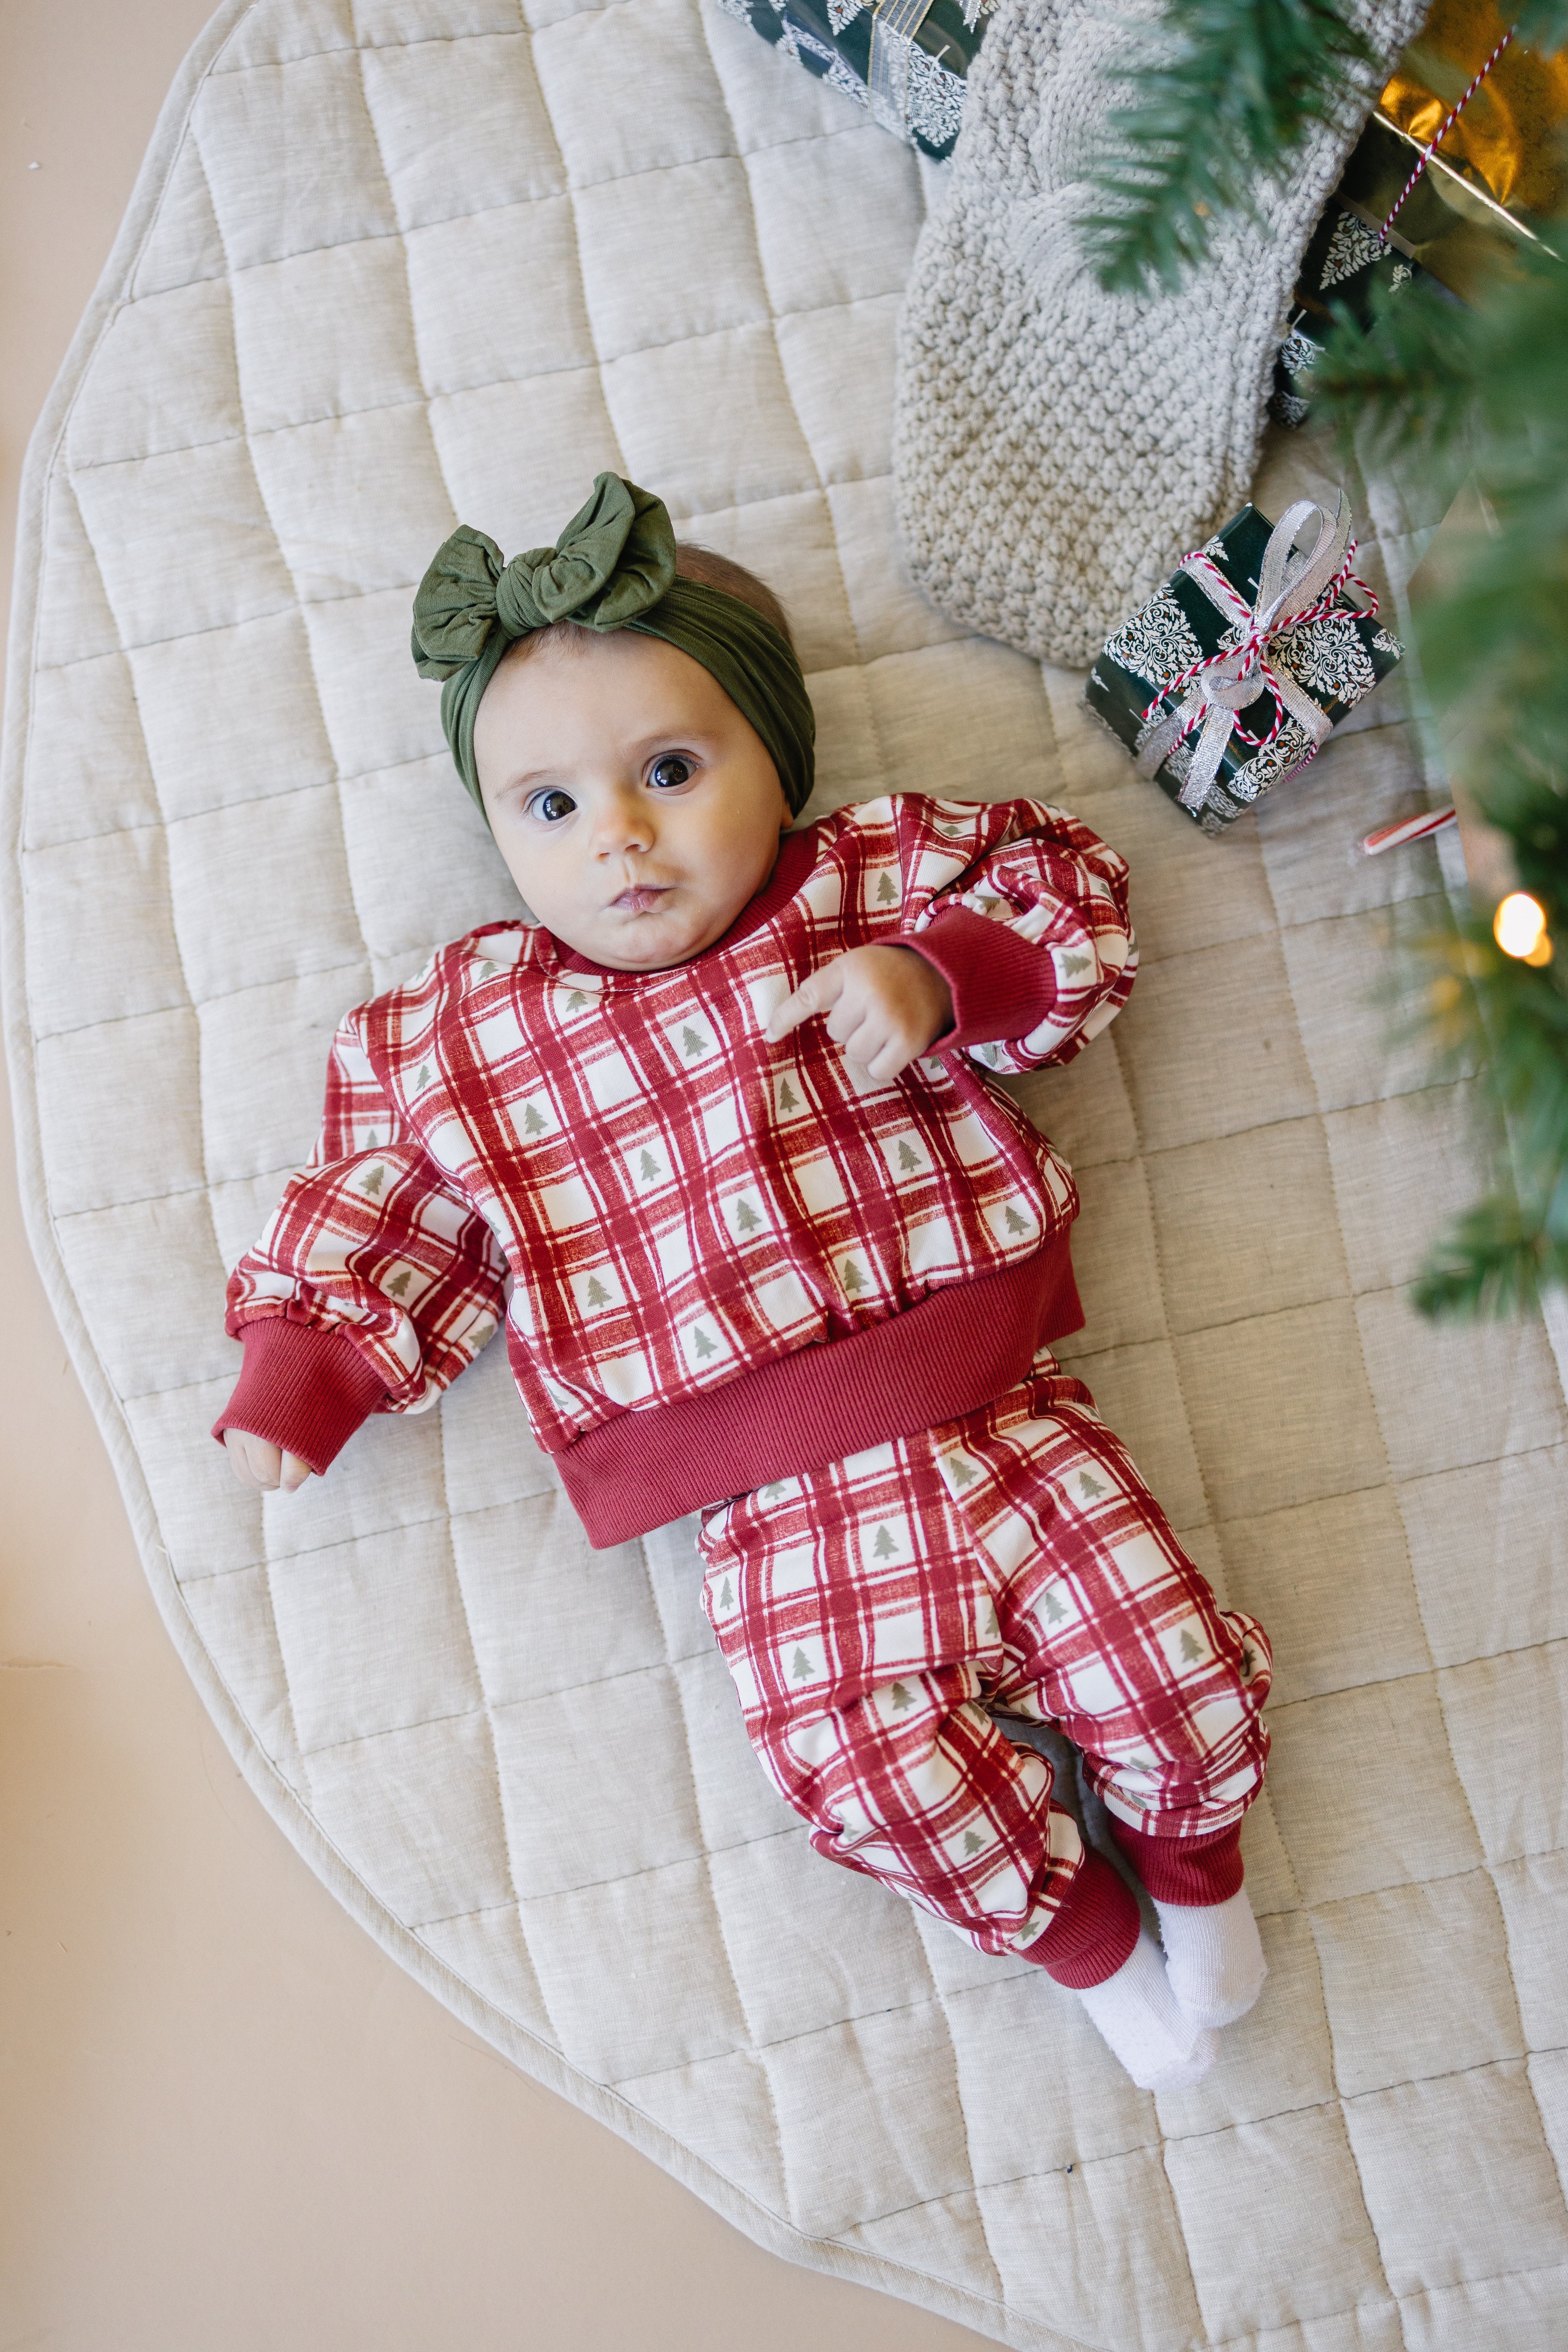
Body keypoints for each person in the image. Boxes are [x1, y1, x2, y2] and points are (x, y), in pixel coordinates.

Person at [214, 475, 1271, 2090]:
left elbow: (1066, 897)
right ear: (495, 833)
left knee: (1167, 1670)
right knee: (868, 1772)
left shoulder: (866, 886)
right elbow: (393, 1200)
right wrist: (306, 1368)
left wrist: (939, 975)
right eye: (549, 807)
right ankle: (1093, 1947)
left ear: (778, 759)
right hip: (768, 1515)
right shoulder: (468, 1037)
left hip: (999, 1411)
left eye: (671, 770)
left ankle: (1198, 1873)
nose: (619, 835)